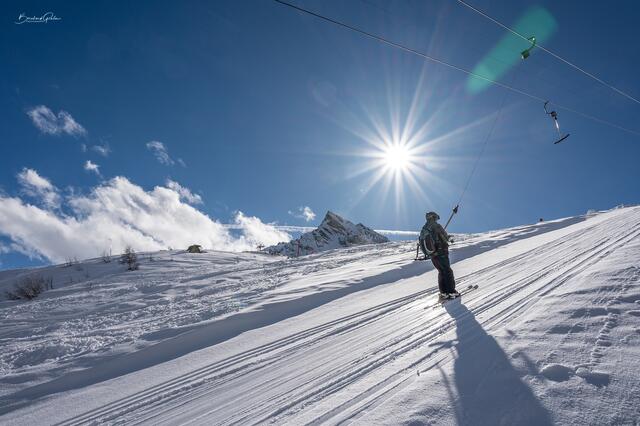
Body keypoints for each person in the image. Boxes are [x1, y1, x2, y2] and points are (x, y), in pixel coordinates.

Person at [419, 211, 458, 299]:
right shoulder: (436, 226)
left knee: (441, 271)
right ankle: (451, 292)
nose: (437, 219)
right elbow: (445, 236)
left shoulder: (425, 228)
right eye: (436, 217)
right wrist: (449, 239)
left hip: (432, 254)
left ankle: (443, 292)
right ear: (433, 217)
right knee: (447, 271)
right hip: (441, 252)